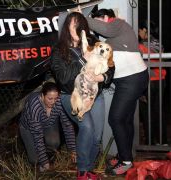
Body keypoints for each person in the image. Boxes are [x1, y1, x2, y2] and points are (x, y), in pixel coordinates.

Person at [84, 9, 149, 175]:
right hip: (129, 81)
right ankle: (126, 156)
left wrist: (82, 18)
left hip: (132, 80)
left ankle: (126, 161)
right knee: (125, 120)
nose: (97, 26)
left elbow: (104, 29)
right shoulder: (111, 38)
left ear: (106, 18)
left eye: (98, 20)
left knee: (115, 118)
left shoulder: (117, 24)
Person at [51, 12, 115, 179]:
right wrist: (84, 59)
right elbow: (63, 78)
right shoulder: (59, 50)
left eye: (81, 24)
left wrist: (103, 77)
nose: (78, 28)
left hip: (95, 95)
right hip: (71, 95)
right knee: (87, 128)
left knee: (97, 135)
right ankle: (82, 171)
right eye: (74, 24)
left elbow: (110, 64)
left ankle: (88, 169)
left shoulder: (93, 42)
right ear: (67, 27)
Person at [19, 81, 76, 172]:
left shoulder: (60, 102)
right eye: (50, 98)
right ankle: (42, 160)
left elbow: (67, 125)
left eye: (56, 98)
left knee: (54, 143)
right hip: (28, 128)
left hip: (49, 123)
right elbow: (37, 136)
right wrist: (44, 162)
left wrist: (72, 150)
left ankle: (47, 155)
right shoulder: (35, 106)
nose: (53, 102)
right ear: (42, 95)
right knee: (35, 160)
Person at [138, 20, 167, 145]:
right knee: (159, 111)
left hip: (147, 82)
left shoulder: (140, 46)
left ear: (145, 30)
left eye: (139, 31)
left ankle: (150, 141)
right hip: (161, 80)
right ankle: (162, 141)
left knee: (147, 113)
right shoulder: (158, 43)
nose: (138, 33)